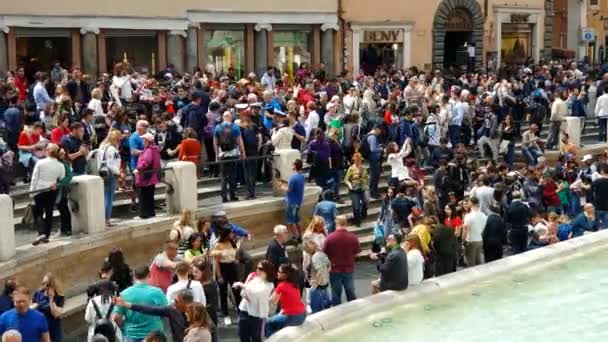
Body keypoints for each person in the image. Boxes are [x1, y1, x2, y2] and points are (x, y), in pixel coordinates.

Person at [112, 266, 168, 342]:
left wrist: (124, 328)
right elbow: (166, 312)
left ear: (134, 277)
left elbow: (116, 317)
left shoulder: (124, 294)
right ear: (149, 275)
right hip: (154, 335)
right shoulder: (157, 292)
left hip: (131, 335)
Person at [114, 289, 194, 342]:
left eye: (176, 301)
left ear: (185, 302)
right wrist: (126, 304)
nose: (174, 303)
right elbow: (150, 309)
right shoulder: (172, 310)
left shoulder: (198, 311)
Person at [31, 143, 65, 246]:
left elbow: (34, 178)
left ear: (47, 151)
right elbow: (62, 178)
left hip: (39, 190)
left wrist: (32, 192)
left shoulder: (40, 163)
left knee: (38, 212)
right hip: (52, 190)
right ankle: (47, 235)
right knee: (49, 212)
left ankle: (41, 233)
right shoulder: (60, 165)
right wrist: (56, 184)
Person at [233, 260, 276, 342]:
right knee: (243, 336)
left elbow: (256, 293)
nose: (257, 270)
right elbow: (244, 292)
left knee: (256, 338)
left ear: (267, 270)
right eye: (257, 268)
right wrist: (246, 292)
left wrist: (240, 284)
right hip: (245, 311)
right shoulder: (254, 279)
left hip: (257, 315)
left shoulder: (269, 284)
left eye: (260, 269)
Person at [323, 215, 360, 306]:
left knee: (336, 294)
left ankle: (337, 314)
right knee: (350, 292)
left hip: (334, 269)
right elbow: (357, 252)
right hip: (348, 268)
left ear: (336, 223)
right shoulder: (353, 237)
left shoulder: (330, 238)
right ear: (346, 224)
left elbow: (324, 253)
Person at [264, 264, 306, 338]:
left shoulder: (281, 286)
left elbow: (273, 301)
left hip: (292, 317)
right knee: (277, 318)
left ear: (285, 275)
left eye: (279, 272)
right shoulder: (295, 284)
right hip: (302, 315)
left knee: (267, 323)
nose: (277, 273)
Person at [211, 225, 241, 326]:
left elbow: (236, 251)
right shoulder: (218, 245)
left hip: (232, 267)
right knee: (223, 293)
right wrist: (219, 276)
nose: (233, 234)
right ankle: (226, 315)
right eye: (231, 232)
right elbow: (216, 262)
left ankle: (240, 311)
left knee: (236, 290)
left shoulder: (232, 242)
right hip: (222, 268)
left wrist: (236, 259)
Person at [213, 111, 246, 202]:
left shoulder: (218, 128)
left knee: (223, 176)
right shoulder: (235, 127)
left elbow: (215, 142)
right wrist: (243, 152)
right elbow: (240, 141)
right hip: (233, 154)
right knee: (233, 175)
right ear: (230, 118)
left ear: (223, 117)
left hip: (222, 155)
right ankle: (233, 195)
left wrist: (216, 155)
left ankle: (224, 197)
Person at [277, 159, 306, 242]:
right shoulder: (301, 177)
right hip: (298, 201)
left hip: (291, 202)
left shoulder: (293, 177)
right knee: (297, 220)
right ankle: (300, 236)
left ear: (295, 166)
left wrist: (281, 186)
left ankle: (295, 237)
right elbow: (294, 187)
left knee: (290, 221)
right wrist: (285, 182)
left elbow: (289, 189)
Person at [134, 133, 161, 219]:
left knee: (144, 196)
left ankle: (144, 214)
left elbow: (146, 162)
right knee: (149, 196)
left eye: (144, 140)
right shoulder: (153, 149)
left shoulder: (149, 150)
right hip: (151, 176)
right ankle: (150, 213)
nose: (143, 141)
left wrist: (138, 169)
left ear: (148, 141)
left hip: (146, 177)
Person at [97, 129, 122, 226]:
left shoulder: (102, 147)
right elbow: (111, 164)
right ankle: (106, 219)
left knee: (104, 197)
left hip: (103, 173)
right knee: (108, 198)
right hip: (111, 174)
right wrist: (118, 173)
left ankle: (103, 218)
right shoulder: (112, 149)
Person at [191, 259, 219, 342]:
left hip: (208, 317)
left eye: (196, 272)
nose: (193, 274)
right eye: (193, 271)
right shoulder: (195, 283)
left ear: (203, 272)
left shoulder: (210, 285)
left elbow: (213, 304)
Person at [31, 274, 64, 342]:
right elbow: (31, 308)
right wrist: (36, 305)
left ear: (52, 285)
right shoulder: (38, 293)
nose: (44, 286)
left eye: (47, 284)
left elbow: (56, 314)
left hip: (53, 329)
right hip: (41, 329)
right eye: (43, 283)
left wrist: (51, 299)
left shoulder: (59, 297)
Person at [344, 152, 369, 226]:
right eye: (357, 160)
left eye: (359, 160)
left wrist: (366, 186)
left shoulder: (364, 168)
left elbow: (366, 178)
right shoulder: (351, 169)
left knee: (366, 201)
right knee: (356, 206)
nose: (358, 162)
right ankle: (357, 221)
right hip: (354, 189)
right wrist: (349, 185)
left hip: (363, 188)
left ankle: (363, 213)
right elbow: (346, 179)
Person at [462, 197, 487, 267]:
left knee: (471, 262)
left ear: (470, 203)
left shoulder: (468, 216)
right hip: (479, 240)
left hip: (470, 241)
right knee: (478, 261)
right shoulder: (484, 215)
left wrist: (463, 242)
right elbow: (483, 229)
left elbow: (465, 230)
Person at [54, 148, 73, 237]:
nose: (63, 154)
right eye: (61, 153)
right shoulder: (55, 162)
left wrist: (59, 184)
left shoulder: (64, 163)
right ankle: (64, 228)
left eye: (63, 153)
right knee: (62, 209)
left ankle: (67, 229)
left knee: (64, 209)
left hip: (62, 190)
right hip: (56, 190)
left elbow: (69, 176)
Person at [366, 126, 383, 198]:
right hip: (374, 159)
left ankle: (373, 191)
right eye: (379, 131)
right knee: (375, 176)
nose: (379, 133)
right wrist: (380, 148)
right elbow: (372, 149)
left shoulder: (369, 136)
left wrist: (378, 145)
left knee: (374, 176)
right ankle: (373, 192)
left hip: (373, 159)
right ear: (376, 129)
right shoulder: (373, 137)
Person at [591, 164, 608, 228]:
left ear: (602, 171)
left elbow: (591, 193)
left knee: (601, 226)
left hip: (599, 206)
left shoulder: (596, 181)